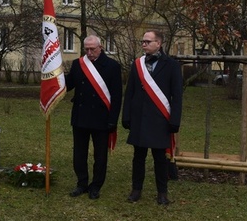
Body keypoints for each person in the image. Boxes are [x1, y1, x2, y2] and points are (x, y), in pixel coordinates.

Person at [121, 29, 183, 205]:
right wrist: (126, 116)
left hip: (160, 120)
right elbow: (130, 91)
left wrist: (175, 120)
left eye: (148, 41)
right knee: (138, 158)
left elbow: (177, 96)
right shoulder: (137, 64)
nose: (144, 44)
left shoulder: (171, 65)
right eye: (143, 41)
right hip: (139, 119)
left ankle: (162, 193)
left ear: (159, 43)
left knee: (160, 159)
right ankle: (136, 190)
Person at [64, 35, 122, 200]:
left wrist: (113, 120)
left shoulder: (112, 66)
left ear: (100, 47)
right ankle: (81, 183)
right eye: (86, 49)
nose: (89, 52)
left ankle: (95, 186)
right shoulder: (78, 64)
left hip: (101, 118)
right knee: (79, 154)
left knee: (100, 155)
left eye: (92, 49)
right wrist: (53, 78)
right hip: (81, 117)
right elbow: (68, 84)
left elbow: (117, 97)